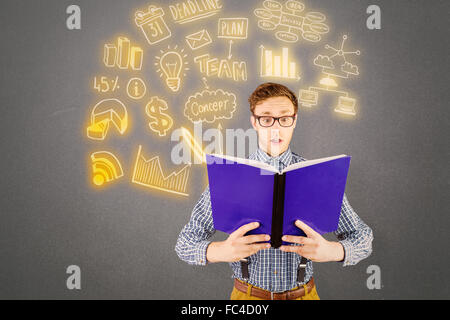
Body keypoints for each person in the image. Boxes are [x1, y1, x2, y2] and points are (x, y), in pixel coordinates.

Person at [175, 82, 373, 300]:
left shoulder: (318, 177)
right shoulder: (230, 177)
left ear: (294, 121)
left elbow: (363, 237)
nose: (276, 128)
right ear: (254, 122)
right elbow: (185, 243)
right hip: (248, 298)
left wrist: (333, 251)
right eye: (267, 119)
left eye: (285, 118)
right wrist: (221, 251)